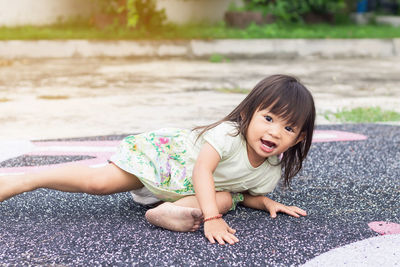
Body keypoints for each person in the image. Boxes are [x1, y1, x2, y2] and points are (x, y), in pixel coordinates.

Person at [0, 74, 315, 245]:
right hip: (166, 162)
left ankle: (166, 213)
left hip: (179, 192)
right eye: (269, 118)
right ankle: (23, 181)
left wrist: (266, 202)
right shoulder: (228, 135)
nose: (274, 131)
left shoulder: (270, 171)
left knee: (225, 198)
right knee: (99, 184)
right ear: (249, 113)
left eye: (288, 127)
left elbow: (244, 192)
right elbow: (202, 170)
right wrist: (212, 219)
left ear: (298, 138)